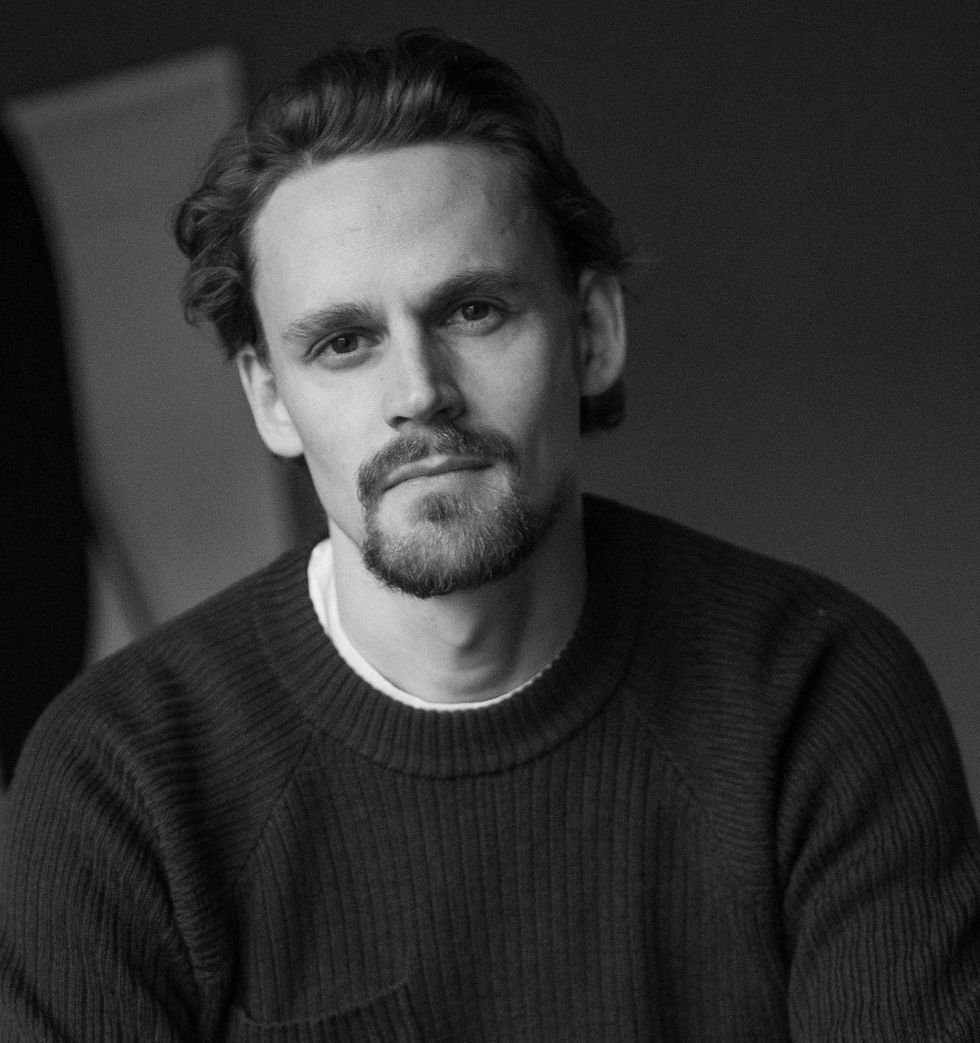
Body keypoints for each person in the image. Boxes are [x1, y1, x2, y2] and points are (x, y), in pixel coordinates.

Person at [1, 29, 978, 1042]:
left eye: (472, 310)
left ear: (591, 334)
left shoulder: (816, 695)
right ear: (271, 398)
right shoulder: (120, 779)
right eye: (343, 342)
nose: (418, 391)